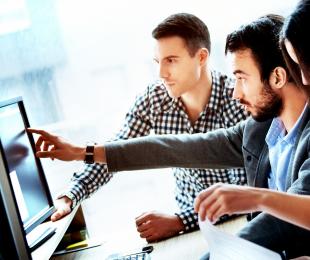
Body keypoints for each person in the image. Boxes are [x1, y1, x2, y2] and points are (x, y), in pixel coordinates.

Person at [29, 14, 310, 258]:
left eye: (242, 78)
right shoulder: (260, 129)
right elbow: (174, 148)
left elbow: (274, 218)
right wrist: (82, 152)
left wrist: (210, 240)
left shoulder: (258, 114)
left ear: (276, 77)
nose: (237, 93)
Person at [50, 13, 248, 242]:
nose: (161, 73)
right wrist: (70, 195)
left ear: (201, 57)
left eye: (171, 60)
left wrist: (180, 220)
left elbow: (244, 190)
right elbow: (118, 151)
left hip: (237, 226)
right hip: (191, 234)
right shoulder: (154, 99)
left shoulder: (238, 98)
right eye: (158, 62)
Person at [194, 0, 310, 232]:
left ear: (277, 77)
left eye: (306, 66)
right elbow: (187, 147)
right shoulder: (262, 129)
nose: (304, 80)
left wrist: (256, 198)